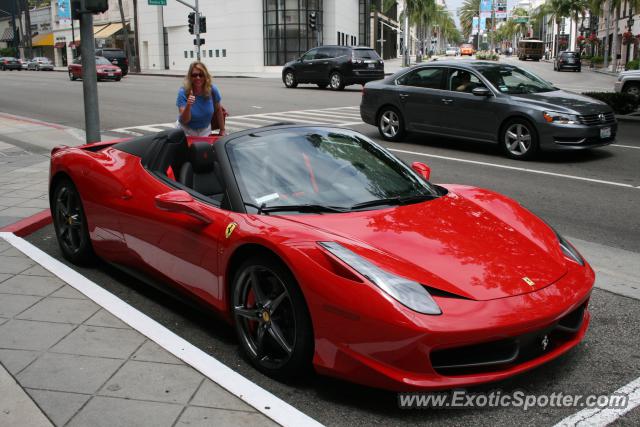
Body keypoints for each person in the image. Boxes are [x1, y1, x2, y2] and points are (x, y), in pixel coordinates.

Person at [176, 61, 225, 137]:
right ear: (190, 77)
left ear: (205, 76)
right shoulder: (183, 92)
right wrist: (188, 105)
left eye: (201, 75)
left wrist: (222, 130)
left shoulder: (212, 90)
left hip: (205, 131)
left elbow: (218, 110)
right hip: (186, 131)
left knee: (204, 149)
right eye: (194, 75)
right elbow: (184, 120)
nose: (198, 78)